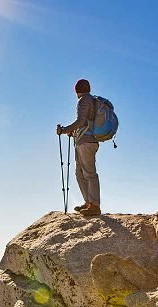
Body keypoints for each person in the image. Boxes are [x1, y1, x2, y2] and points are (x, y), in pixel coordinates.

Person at [56, 79, 101, 216]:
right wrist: (73, 132)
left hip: (86, 142)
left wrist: (64, 130)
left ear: (77, 90)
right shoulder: (92, 100)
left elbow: (81, 121)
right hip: (87, 140)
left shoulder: (83, 100)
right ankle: (89, 203)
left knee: (88, 173)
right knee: (80, 173)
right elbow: (86, 122)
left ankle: (94, 205)